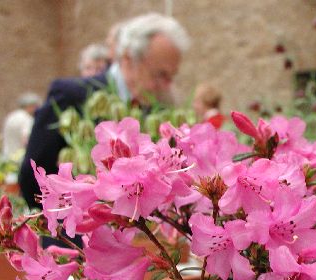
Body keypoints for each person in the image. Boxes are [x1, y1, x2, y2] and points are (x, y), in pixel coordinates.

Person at [18, 12, 191, 210]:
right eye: (160, 74)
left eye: (172, 76)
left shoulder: (158, 107)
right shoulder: (70, 94)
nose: (167, 85)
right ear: (128, 58)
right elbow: (31, 179)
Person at [1, 92, 42, 161]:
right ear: (30, 106)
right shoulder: (27, 119)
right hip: (19, 159)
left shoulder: (11, 116)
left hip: (6, 157)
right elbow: (26, 140)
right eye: (36, 106)